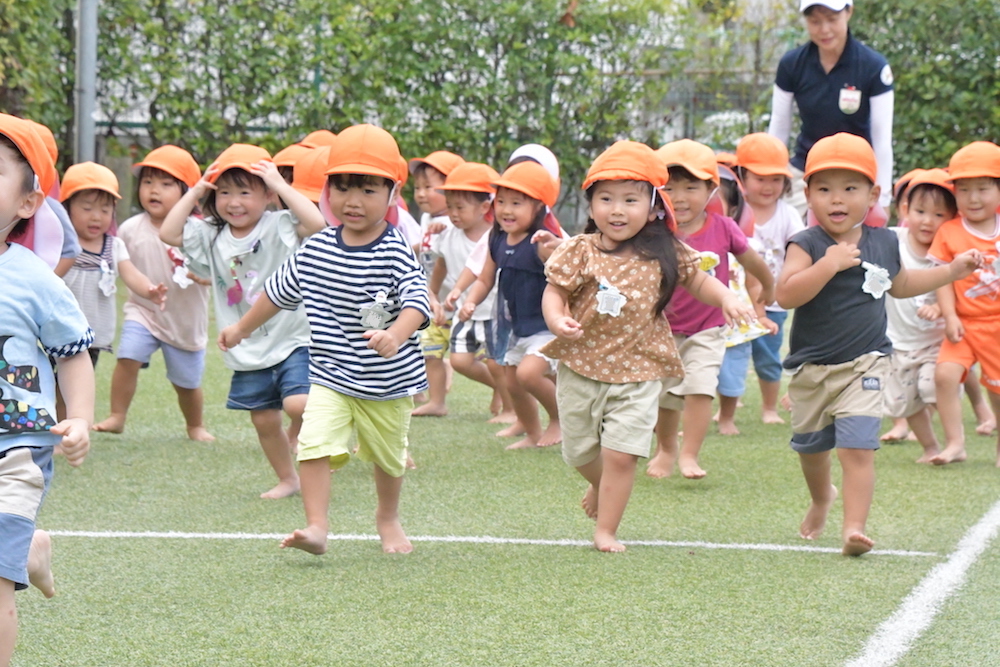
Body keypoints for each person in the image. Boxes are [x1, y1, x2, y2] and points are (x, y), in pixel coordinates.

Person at [218, 124, 429, 554]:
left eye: (369, 190)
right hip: (331, 376)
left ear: (392, 194)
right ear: (327, 189)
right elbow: (276, 292)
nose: (353, 201)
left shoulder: (395, 249)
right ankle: (316, 527)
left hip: (386, 382)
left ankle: (387, 519)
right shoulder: (315, 249)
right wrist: (240, 328)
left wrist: (395, 333)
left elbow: (419, 300)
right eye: (344, 187)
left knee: (389, 459)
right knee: (312, 445)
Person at [541, 141, 755, 552]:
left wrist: (727, 297)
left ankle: (606, 529)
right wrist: (556, 317)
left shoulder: (666, 251)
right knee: (580, 453)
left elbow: (699, 281)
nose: (617, 209)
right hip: (581, 366)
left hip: (639, 370)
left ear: (655, 206)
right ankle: (602, 485)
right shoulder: (579, 250)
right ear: (590, 207)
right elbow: (554, 292)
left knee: (622, 454)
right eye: (606, 199)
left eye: (630, 199)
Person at [775, 133, 980, 556]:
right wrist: (827, 266)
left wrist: (951, 272)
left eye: (850, 188)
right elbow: (787, 295)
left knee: (857, 446)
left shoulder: (886, 241)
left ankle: (854, 528)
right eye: (825, 188)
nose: (837, 199)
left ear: (873, 194)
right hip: (812, 370)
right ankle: (821, 498)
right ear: (808, 194)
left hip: (866, 364)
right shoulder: (807, 243)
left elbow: (902, 285)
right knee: (812, 452)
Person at [160, 143, 326, 498]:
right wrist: (196, 190)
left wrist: (280, 184)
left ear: (266, 195)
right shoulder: (211, 234)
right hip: (246, 344)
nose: (233, 202)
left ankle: (330, 428)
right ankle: (287, 478)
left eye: (244, 191)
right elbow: (169, 234)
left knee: (298, 403)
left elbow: (316, 223)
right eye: (224, 192)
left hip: (295, 335)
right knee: (264, 419)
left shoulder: (278, 224)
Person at [0, 113, 95, 667]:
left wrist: (79, 418)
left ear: (27, 205)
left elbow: (73, 355)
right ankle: (30, 547)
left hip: (17, 447)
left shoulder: (35, 279)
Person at [646, 139, 774, 479]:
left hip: (708, 327)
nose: (680, 197)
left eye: (691, 187)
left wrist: (768, 288)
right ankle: (666, 449)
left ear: (712, 189)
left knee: (700, 387)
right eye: (670, 188)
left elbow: (754, 263)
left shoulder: (723, 228)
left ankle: (689, 455)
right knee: (667, 396)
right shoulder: (652, 232)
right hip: (663, 329)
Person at [93, 146, 214, 441]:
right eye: (147, 182)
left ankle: (194, 425)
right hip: (143, 311)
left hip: (185, 320)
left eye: (165, 183)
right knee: (128, 357)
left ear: (188, 192)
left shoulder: (200, 231)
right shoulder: (131, 228)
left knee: (186, 382)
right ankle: (117, 416)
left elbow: (218, 270)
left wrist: (206, 277)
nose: (153, 190)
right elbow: (120, 264)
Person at [459, 161, 563, 449]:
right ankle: (532, 432)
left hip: (545, 326)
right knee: (513, 384)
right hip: (516, 326)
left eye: (516, 203)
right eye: (501, 201)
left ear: (539, 208)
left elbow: (568, 275)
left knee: (527, 375)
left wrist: (556, 246)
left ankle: (559, 421)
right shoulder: (497, 239)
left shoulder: (540, 243)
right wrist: (470, 300)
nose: (506, 210)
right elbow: (485, 279)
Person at [768, 0, 894, 219]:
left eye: (832, 19)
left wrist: (883, 198)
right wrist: (769, 179)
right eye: (815, 21)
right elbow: (779, 128)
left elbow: (882, 138)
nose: (824, 29)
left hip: (856, 173)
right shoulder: (791, 64)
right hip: (805, 171)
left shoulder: (873, 66)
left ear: (849, 12)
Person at [929, 141, 1000, 466]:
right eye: (964, 189)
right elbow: (942, 275)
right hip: (964, 323)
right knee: (944, 375)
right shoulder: (948, 231)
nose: (973, 198)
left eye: (983, 189)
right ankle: (955, 443)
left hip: (997, 327)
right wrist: (950, 314)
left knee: (997, 391)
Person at [59, 162, 167, 366]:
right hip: (58, 330)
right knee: (52, 382)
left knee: (77, 386)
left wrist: (149, 290)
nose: (96, 217)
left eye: (105, 209)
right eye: (87, 208)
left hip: (92, 334)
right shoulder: (61, 244)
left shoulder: (114, 246)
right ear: (67, 207)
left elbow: (131, 273)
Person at [430, 162, 515, 421]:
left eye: (460, 207)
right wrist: (434, 295)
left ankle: (512, 409)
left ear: (484, 207)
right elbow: (441, 266)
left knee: (497, 363)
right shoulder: (447, 236)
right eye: (450, 206)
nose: (453, 214)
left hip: (494, 312)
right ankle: (500, 389)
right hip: (464, 312)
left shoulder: (497, 236)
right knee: (459, 361)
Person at [881, 169, 955, 462]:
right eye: (920, 211)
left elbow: (955, 291)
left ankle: (954, 442)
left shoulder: (948, 253)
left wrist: (938, 308)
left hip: (934, 344)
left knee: (930, 385)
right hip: (896, 343)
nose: (927, 220)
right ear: (904, 210)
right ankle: (930, 447)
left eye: (939, 215)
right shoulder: (891, 240)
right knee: (906, 405)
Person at [736, 133, 805, 425]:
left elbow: (799, 250)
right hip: (735, 297)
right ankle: (729, 400)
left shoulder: (787, 214)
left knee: (767, 356)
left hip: (772, 299)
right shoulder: (735, 211)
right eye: (760, 178)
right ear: (741, 176)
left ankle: (768, 408)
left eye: (776, 179)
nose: (768, 186)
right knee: (730, 354)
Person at [409, 151, 464, 416]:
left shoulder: (457, 222)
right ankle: (437, 402)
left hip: (461, 302)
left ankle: (506, 397)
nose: (420, 194)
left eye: (429, 187)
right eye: (418, 187)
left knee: (478, 359)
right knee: (430, 352)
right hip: (435, 302)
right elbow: (428, 248)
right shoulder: (427, 219)